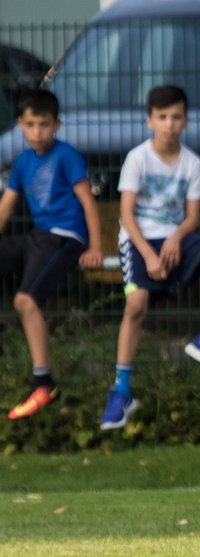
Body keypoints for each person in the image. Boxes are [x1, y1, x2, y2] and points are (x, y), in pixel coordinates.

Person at [99, 84, 200, 430]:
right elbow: (127, 216)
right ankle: (122, 390)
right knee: (136, 305)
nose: (169, 124)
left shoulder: (192, 163)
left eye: (176, 117)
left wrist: (176, 239)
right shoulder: (137, 158)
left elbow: (192, 217)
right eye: (162, 117)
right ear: (149, 121)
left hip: (175, 237)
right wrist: (150, 255)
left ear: (186, 121)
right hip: (139, 241)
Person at [0, 89, 103, 419]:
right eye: (30, 125)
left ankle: (44, 383)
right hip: (38, 237)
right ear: (20, 125)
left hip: (65, 238)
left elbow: (88, 202)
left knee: (25, 301)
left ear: (57, 125)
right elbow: (6, 206)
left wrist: (96, 247)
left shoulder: (67, 156)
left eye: (44, 125)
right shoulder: (22, 161)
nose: (37, 132)